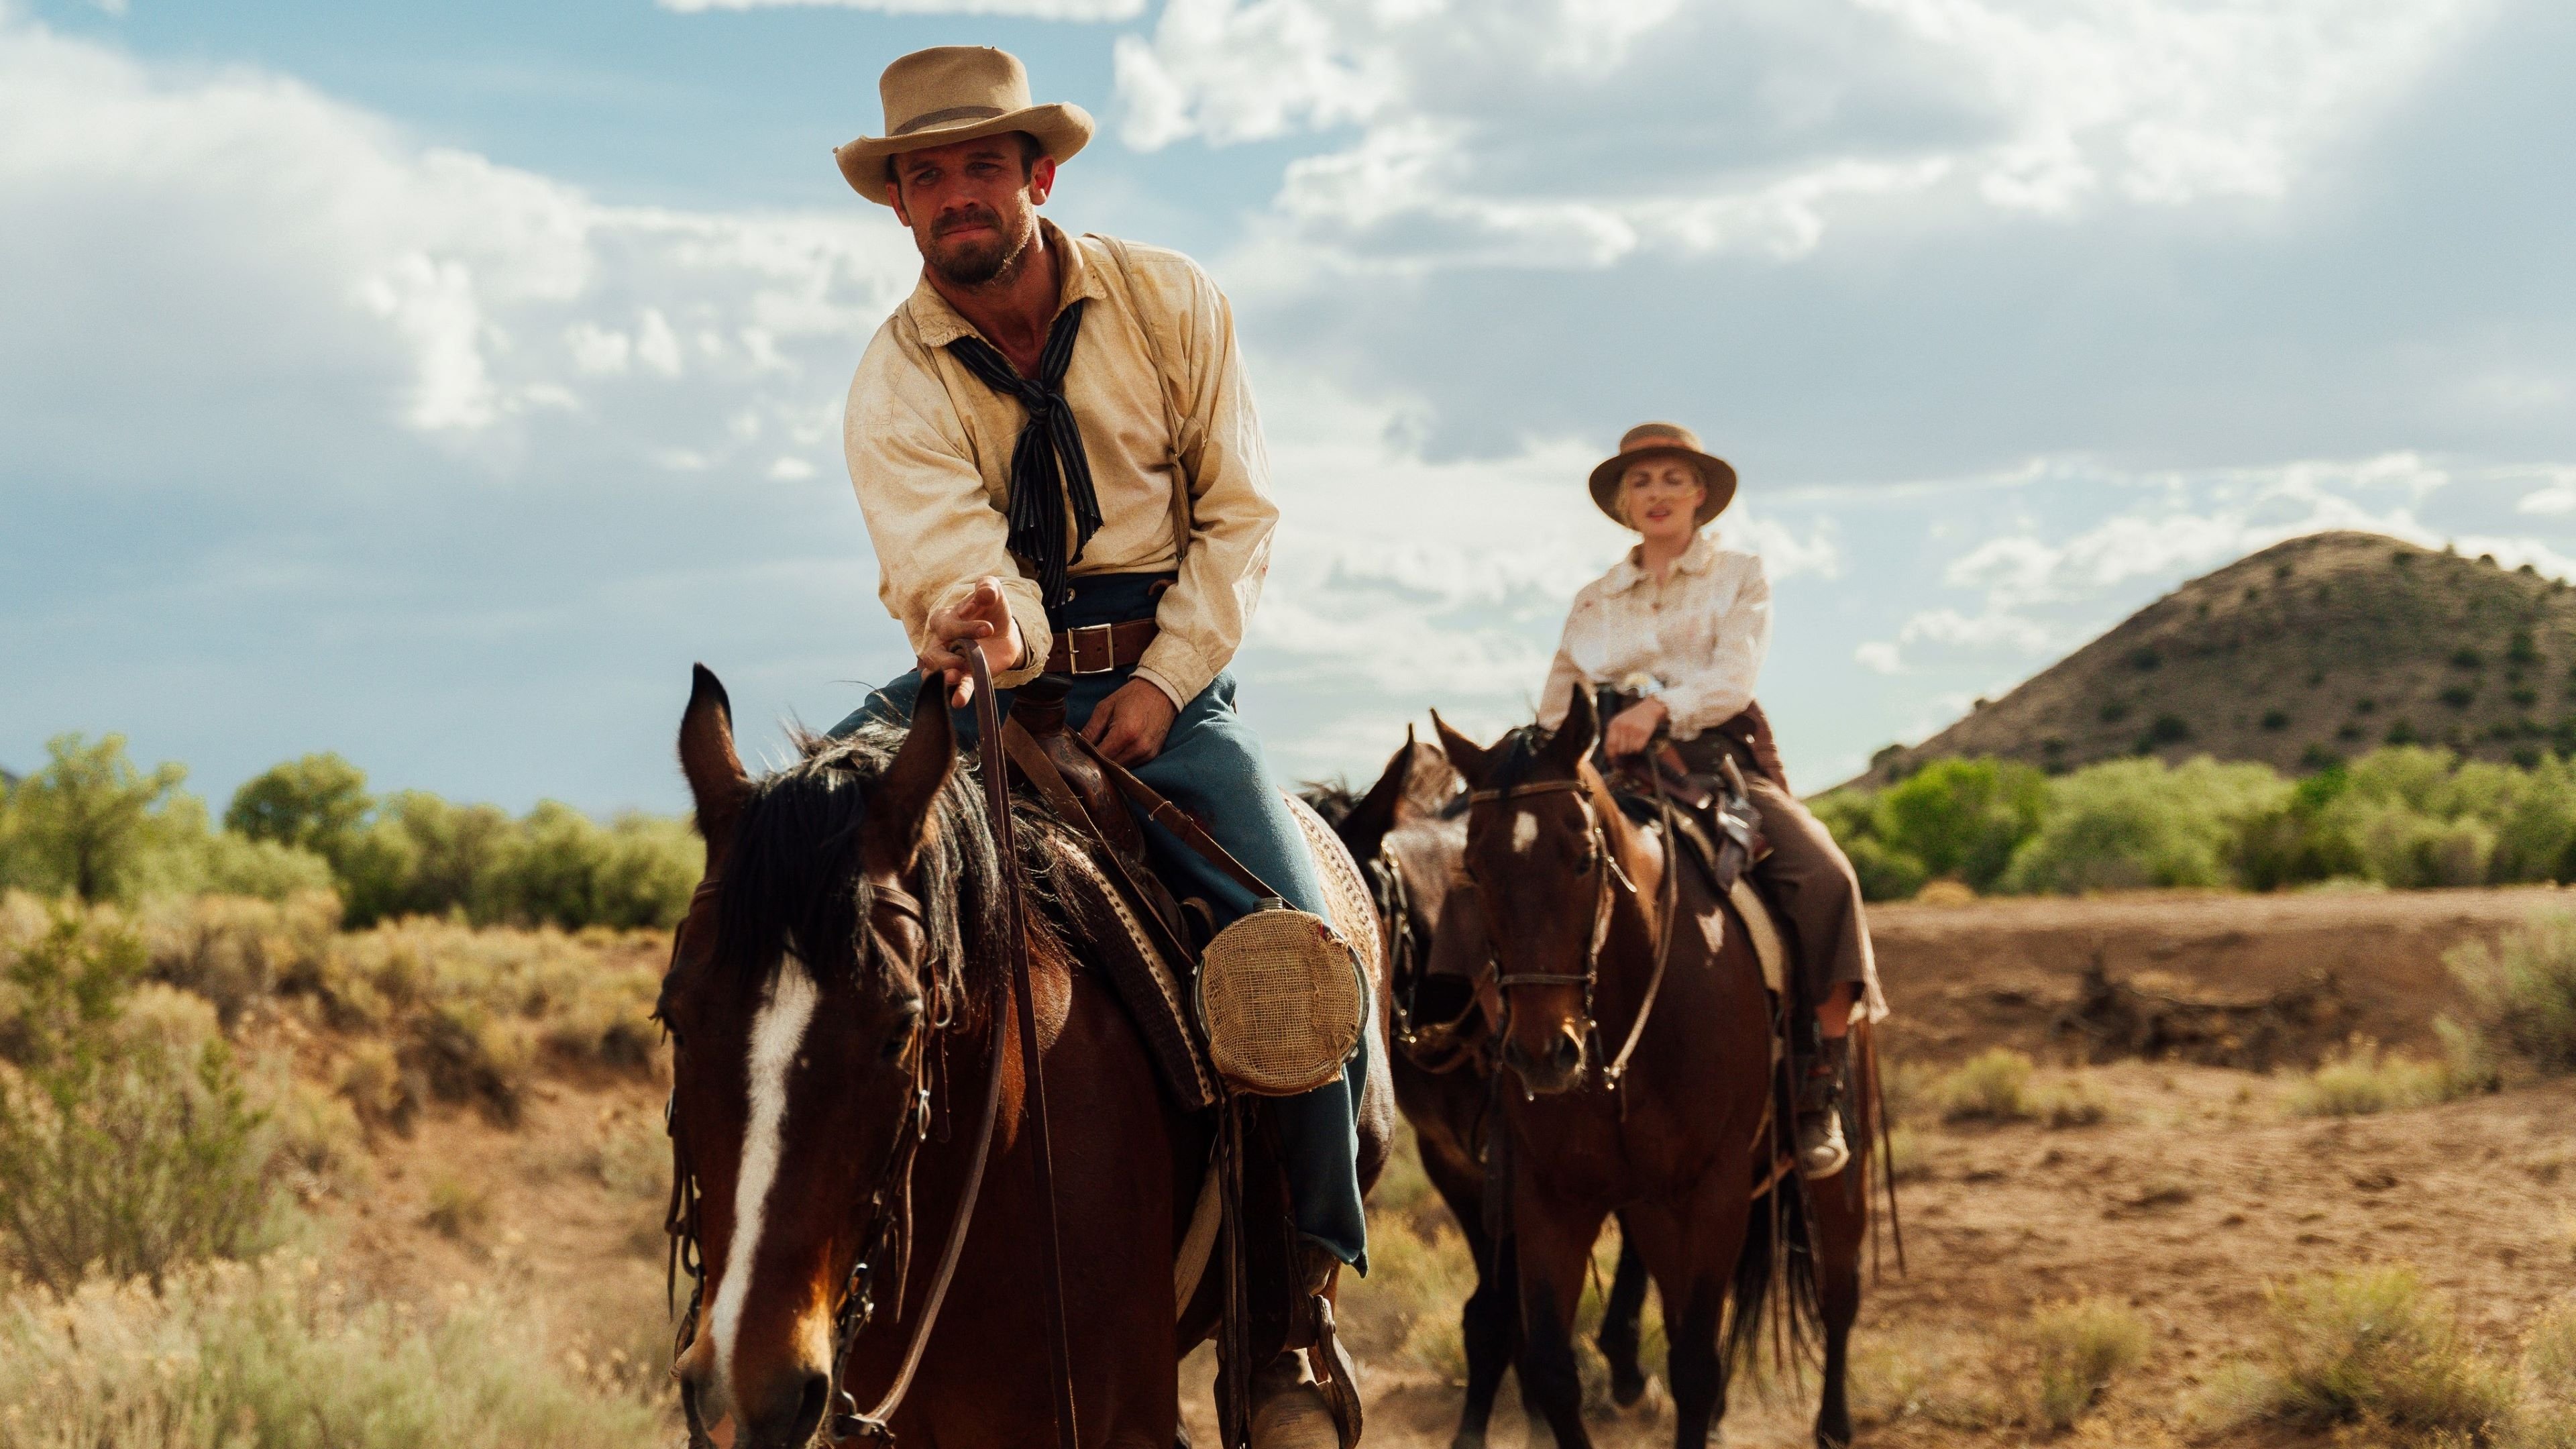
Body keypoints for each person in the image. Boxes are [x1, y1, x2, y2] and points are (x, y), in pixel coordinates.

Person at [823, 46, 1364, 1438]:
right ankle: (778, 1312)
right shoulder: (895, 375)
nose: (954, 196)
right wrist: (990, 638)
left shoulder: (1172, 300)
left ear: (1038, 173)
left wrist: (1171, 684)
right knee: (791, 877)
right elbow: (943, 554)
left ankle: (1288, 1317)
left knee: (1292, 949)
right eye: (924, 175)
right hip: (981, 668)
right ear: (897, 205)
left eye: (979, 166)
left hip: (1168, 677)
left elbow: (1237, 517)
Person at [1538, 423, 1887, 1179]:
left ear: (1700, 495)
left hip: (1712, 761)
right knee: (1503, 872)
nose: (1656, 493)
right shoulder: (1593, 601)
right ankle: (1489, 1078)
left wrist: (1658, 709)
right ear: (1623, 504)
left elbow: (1734, 678)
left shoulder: (1739, 575)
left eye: (1671, 478)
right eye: (1641, 481)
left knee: (1828, 882)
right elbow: (1555, 708)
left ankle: (1819, 1084)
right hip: (1606, 772)